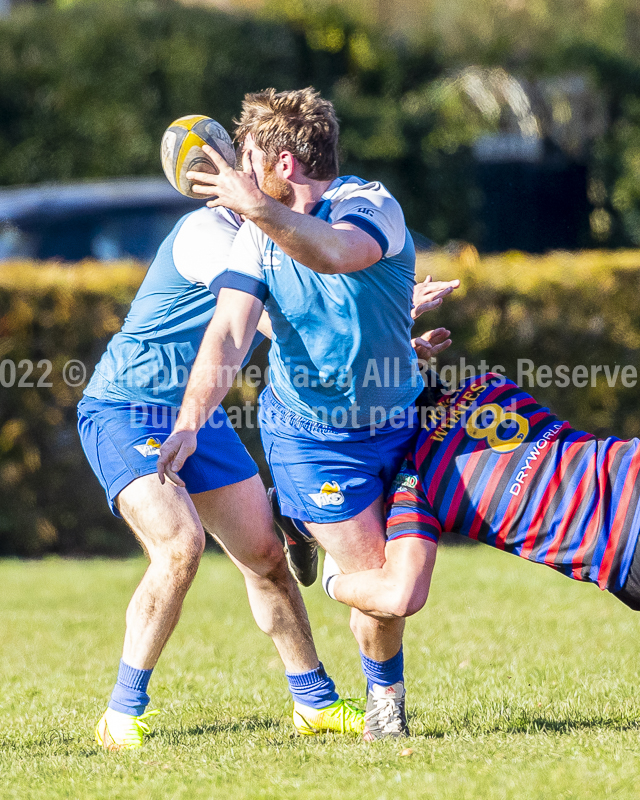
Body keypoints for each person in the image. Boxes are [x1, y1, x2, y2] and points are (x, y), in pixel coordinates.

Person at [157, 86, 459, 740]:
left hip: (402, 425)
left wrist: (258, 208)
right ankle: (387, 711)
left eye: (247, 158)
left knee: (400, 589)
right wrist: (187, 421)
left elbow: (336, 254)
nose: (239, 172)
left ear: (283, 165)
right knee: (378, 580)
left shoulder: (370, 205)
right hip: (313, 440)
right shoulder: (254, 241)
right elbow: (230, 335)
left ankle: (298, 520)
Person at [78, 195, 370, 750]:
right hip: (126, 407)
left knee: (264, 555)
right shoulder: (207, 232)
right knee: (180, 545)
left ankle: (315, 703)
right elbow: (271, 318)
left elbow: (322, 308)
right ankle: (121, 712)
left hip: (196, 415)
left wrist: (395, 325)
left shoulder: (269, 241)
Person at [321, 371, 640, 634]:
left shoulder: (413, 486)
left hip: (622, 545)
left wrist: (334, 581)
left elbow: (400, 596)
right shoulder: (488, 384)